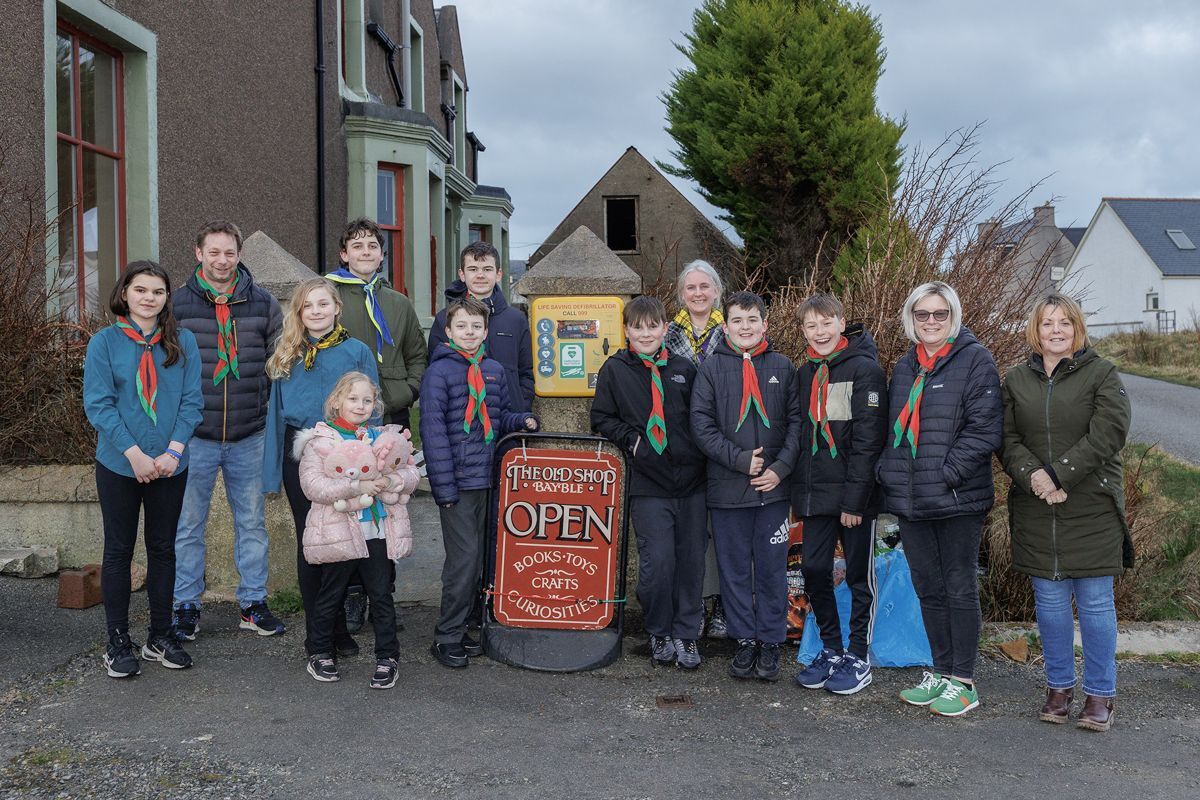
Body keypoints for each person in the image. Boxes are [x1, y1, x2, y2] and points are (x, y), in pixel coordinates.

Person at [1001, 293, 1131, 732]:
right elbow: (1006, 437)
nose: (1055, 330)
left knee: (1095, 604)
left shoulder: (1103, 374)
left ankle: (1100, 694)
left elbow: (1109, 432)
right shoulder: (1016, 379)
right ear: (1034, 331)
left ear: (1078, 328)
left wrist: (1060, 475)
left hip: (1091, 505)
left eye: (1064, 323)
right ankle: (1058, 688)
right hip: (1037, 505)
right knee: (1051, 605)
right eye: (1046, 323)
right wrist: (1035, 476)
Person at [877, 281, 1001, 717]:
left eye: (939, 314)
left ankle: (964, 681)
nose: (931, 322)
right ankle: (942, 671)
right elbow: (893, 432)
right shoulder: (906, 366)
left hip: (955, 498)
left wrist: (945, 474)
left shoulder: (975, 360)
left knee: (959, 586)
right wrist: (888, 475)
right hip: (912, 500)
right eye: (922, 315)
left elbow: (984, 430)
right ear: (911, 320)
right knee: (928, 588)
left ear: (954, 317)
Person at [83, 261, 203, 677]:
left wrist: (172, 451)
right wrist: (133, 454)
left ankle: (160, 635)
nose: (149, 298)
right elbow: (99, 404)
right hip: (119, 463)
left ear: (167, 298)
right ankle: (118, 641)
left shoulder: (182, 341)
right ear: (125, 293)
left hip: (171, 464)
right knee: (118, 550)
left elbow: (192, 402)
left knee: (163, 548)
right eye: (141, 290)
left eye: (157, 291)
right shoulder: (104, 343)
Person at [171, 220, 285, 641]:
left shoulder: (264, 303)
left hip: (248, 434)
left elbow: (280, 364)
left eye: (230, 253)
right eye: (213, 252)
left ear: (240, 255)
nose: (222, 261)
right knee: (187, 526)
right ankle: (186, 605)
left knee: (253, 524)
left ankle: (253, 604)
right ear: (198, 253)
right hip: (194, 437)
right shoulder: (177, 305)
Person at [262, 278, 378, 659]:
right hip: (301, 453)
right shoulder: (288, 353)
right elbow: (276, 417)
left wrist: (370, 460)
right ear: (298, 313)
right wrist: (270, 474)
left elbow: (371, 410)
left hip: (345, 455)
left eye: (322, 304)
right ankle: (319, 633)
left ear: (336, 308)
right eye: (307, 306)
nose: (316, 311)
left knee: (345, 542)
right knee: (313, 543)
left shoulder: (357, 351)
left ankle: (338, 626)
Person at [421, 297, 538, 668]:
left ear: (485, 331)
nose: (468, 333)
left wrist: (521, 421)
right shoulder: (438, 373)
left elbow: (498, 417)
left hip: (487, 479)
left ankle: (464, 627)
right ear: (448, 331)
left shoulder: (493, 370)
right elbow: (433, 432)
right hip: (457, 482)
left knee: (482, 558)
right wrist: (444, 489)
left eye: (475, 327)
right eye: (461, 327)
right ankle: (446, 636)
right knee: (463, 562)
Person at [691, 290, 802, 682]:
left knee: (772, 569)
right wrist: (740, 460)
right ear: (726, 326)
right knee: (734, 571)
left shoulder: (784, 367)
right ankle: (743, 639)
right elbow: (700, 426)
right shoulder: (710, 369)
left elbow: (796, 424)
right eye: (737, 321)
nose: (745, 327)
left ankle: (770, 641)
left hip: (772, 491)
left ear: (764, 324)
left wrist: (780, 468)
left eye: (752, 320)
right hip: (727, 490)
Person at [591, 296, 708, 669]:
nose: (646, 333)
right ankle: (659, 629)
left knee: (691, 564)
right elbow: (601, 418)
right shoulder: (615, 370)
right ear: (626, 330)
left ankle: (686, 635)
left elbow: (701, 418)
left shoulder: (684, 369)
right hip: (649, 483)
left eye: (652, 326)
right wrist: (633, 439)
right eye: (638, 327)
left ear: (664, 329)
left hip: (692, 483)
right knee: (658, 564)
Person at [325, 217, 427, 632]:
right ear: (344, 254)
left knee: (387, 507)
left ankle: (383, 595)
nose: (366, 252)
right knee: (350, 506)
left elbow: (418, 356)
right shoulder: (330, 297)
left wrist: (403, 393)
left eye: (373, 246)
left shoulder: (399, 302)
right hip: (346, 422)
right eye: (357, 245)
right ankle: (352, 596)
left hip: (390, 415)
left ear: (382, 255)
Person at [296, 373, 421, 688]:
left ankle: (387, 657)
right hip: (340, 532)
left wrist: (393, 481)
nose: (360, 405)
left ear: (375, 405)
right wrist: (357, 486)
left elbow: (410, 471)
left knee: (381, 594)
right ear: (337, 401)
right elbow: (313, 485)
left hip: (376, 531)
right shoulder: (321, 441)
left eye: (367, 400)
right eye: (353, 399)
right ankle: (320, 652)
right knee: (331, 593)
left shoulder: (383, 437)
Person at [790, 293, 887, 695]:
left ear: (841, 322)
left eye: (826, 323)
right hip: (814, 495)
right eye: (811, 326)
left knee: (860, 577)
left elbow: (868, 440)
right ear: (803, 332)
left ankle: (859, 655)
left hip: (854, 497)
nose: (820, 332)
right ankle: (831, 648)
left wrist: (855, 500)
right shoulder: (804, 373)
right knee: (814, 571)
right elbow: (799, 435)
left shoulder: (865, 370)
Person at [664, 259, 729, 639]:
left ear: (717, 291)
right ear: (681, 293)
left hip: (725, 444)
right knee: (694, 536)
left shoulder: (733, 330)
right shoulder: (668, 333)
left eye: (706, 286)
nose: (699, 293)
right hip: (684, 447)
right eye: (691, 288)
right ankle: (698, 605)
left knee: (724, 530)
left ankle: (724, 605)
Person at [428, 239, 533, 413]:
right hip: (461, 422)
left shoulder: (516, 319)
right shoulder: (445, 319)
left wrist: (521, 407)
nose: (480, 275)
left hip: (509, 421)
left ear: (499, 274)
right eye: (473, 269)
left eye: (487, 269)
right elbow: (433, 374)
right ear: (462, 274)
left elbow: (526, 373)